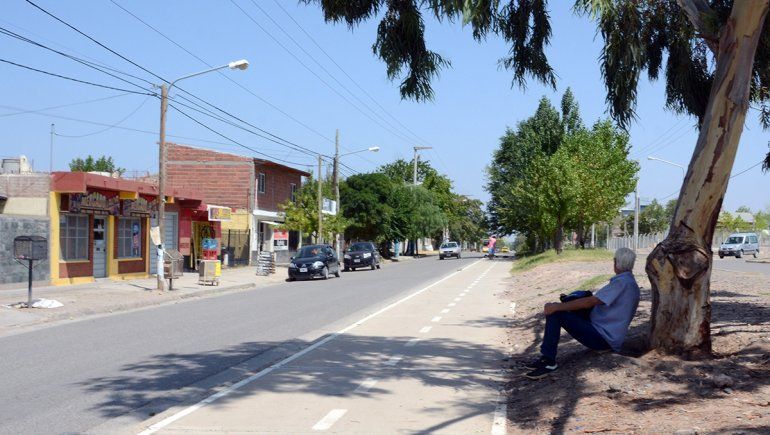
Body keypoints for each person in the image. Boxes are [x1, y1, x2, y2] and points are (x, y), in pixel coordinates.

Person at [524, 247, 640, 380]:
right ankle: (546, 358)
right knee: (569, 305)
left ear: (615, 262)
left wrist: (558, 306)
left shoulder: (622, 283)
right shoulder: (629, 282)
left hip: (603, 339)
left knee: (556, 313)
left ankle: (548, 361)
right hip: (604, 331)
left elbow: (590, 302)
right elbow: (595, 301)